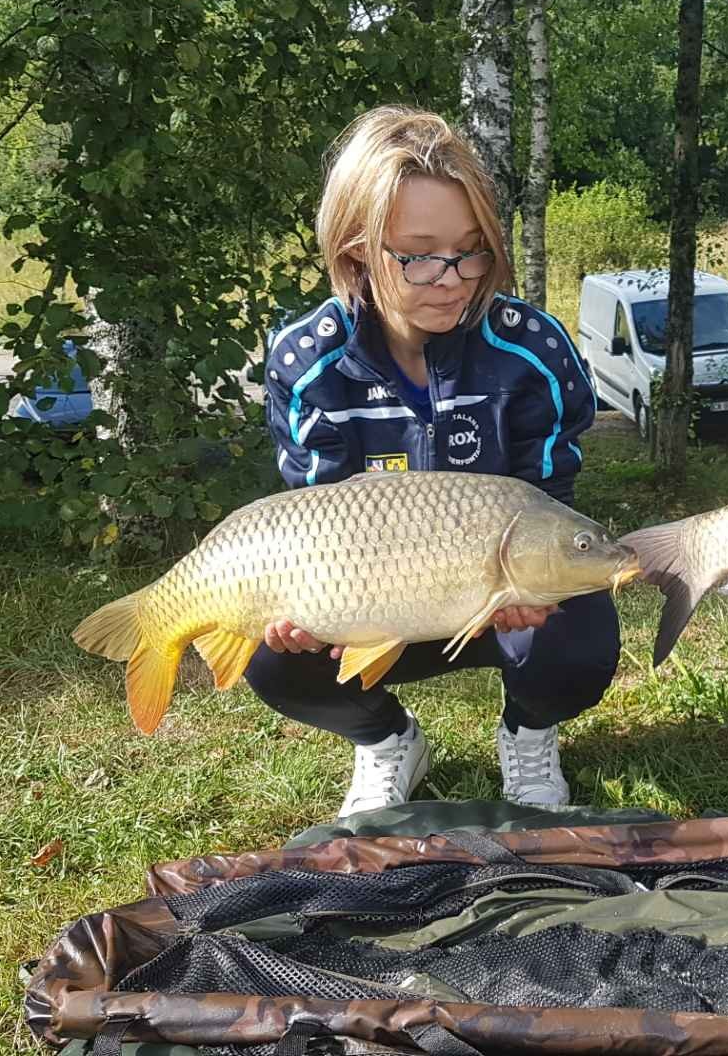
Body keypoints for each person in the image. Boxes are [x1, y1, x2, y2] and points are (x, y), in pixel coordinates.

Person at [246, 106, 615, 817]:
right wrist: (304, 610)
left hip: (493, 586)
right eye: (418, 255)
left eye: (471, 251)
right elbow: (316, 516)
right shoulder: (306, 361)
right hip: (373, 596)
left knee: (582, 627)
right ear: (355, 254)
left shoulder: (534, 352)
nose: (453, 279)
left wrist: (528, 590)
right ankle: (386, 740)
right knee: (274, 660)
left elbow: (546, 498)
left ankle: (530, 730)